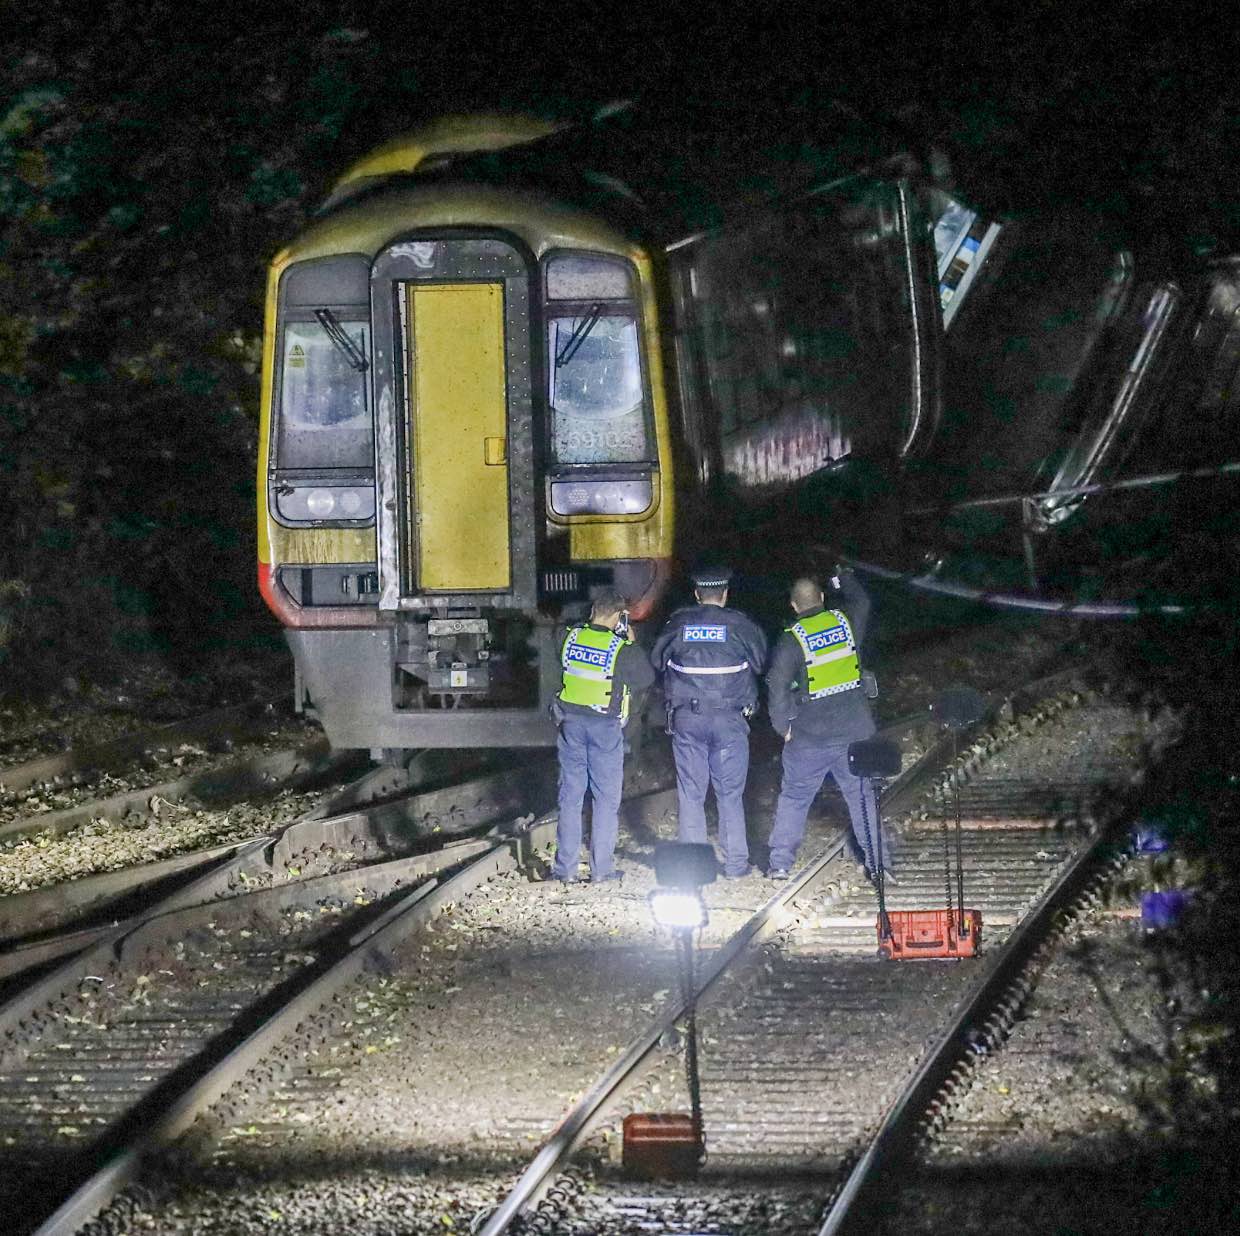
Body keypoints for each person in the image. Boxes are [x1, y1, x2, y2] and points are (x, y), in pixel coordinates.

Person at [765, 569, 891, 883]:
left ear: (794, 607)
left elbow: (776, 684)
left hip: (809, 736)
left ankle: (780, 864)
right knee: (862, 796)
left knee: (794, 797)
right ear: (821, 598)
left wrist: (784, 727)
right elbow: (861, 599)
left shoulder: (791, 639)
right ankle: (878, 865)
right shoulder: (847, 622)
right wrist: (840, 576)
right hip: (855, 733)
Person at [652, 565, 768, 879]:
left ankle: (693, 866)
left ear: (696, 594)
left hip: (688, 719)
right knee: (729, 794)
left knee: (691, 793)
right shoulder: (741, 626)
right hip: (730, 720)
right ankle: (734, 866)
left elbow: (656, 660)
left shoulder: (678, 624)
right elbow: (760, 662)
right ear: (725, 594)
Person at [550, 589, 655, 884]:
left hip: (571, 724)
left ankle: (565, 870)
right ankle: (602, 870)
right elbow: (645, 678)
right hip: (604, 728)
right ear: (618, 616)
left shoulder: (569, 638)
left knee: (570, 796)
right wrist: (632, 644)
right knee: (605, 799)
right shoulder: (619, 647)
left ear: (593, 610)